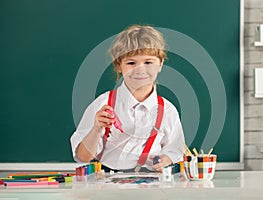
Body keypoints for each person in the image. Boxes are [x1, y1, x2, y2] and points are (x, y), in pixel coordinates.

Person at [70, 24, 185, 172]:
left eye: (148, 62)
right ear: (119, 66)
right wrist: (96, 130)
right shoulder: (103, 104)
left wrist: (167, 159)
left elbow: (176, 151)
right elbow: (83, 157)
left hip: (152, 186)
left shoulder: (167, 110)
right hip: (108, 185)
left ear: (160, 64)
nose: (140, 69)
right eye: (131, 63)